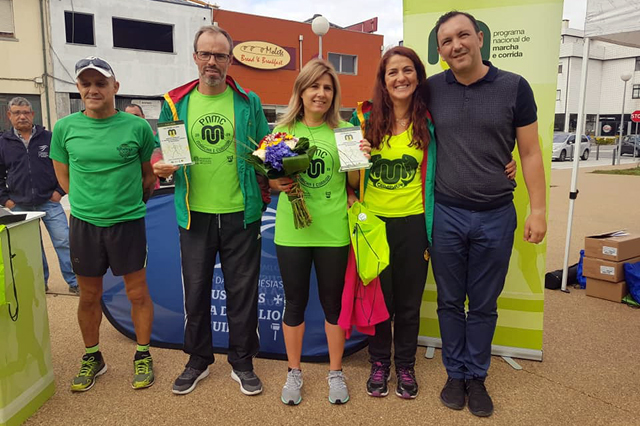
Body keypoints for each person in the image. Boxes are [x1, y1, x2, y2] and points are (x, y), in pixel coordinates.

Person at [429, 11, 547, 417]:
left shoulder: (514, 87)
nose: (455, 45)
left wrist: (539, 210)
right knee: (448, 300)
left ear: (479, 38)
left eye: (463, 36)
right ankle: (454, 373)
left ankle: (476, 376)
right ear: (440, 51)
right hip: (445, 213)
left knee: (482, 303)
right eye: (446, 41)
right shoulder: (432, 89)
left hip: (496, 214)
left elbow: (529, 152)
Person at [153, 25, 270, 396]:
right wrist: (161, 165)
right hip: (194, 213)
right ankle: (198, 360)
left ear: (230, 60)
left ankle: (242, 362)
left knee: (242, 293)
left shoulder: (248, 100)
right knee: (197, 292)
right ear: (195, 56)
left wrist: (279, 174)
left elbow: (265, 149)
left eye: (220, 55)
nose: (212, 62)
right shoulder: (175, 102)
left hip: (241, 212)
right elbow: (164, 151)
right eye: (206, 54)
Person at [50, 56, 157, 392]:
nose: (93, 90)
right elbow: (64, 176)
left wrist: (123, 202)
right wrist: (89, 203)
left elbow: (148, 175)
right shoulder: (65, 128)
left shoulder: (137, 127)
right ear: (79, 88)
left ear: (115, 87)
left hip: (127, 223)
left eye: (100, 83)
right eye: (86, 84)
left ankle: (142, 354)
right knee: (88, 295)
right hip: (84, 225)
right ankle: (93, 357)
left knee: (137, 293)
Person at [270, 59, 370, 405]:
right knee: (294, 303)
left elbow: (354, 184)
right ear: (301, 90)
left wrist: (359, 160)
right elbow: (271, 179)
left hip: (333, 232)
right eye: (314, 86)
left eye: (327, 88)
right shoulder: (282, 132)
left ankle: (335, 372)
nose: (321, 93)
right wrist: (278, 181)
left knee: (332, 305)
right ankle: (294, 373)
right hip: (292, 233)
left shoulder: (344, 132)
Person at [349, 46, 437, 400]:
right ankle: (379, 363)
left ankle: (405, 365)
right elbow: (353, 185)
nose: (400, 78)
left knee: (409, 303)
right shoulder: (366, 123)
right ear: (383, 82)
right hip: (375, 225)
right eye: (392, 73)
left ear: (417, 75)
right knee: (379, 300)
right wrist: (357, 160)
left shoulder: (430, 121)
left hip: (414, 225)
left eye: (407, 70)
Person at [0, 97, 78, 294]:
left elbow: (66, 165)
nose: (22, 116)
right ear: (9, 116)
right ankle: (39, 283)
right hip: (19, 204)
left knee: (64, 241)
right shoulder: (3, 143)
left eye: (26, 112)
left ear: (33, 114)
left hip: (49, 202)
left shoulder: (49, 138)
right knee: (32, 248)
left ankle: (75, 282)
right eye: (17, 113)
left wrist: (60, 192)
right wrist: (5, 199)